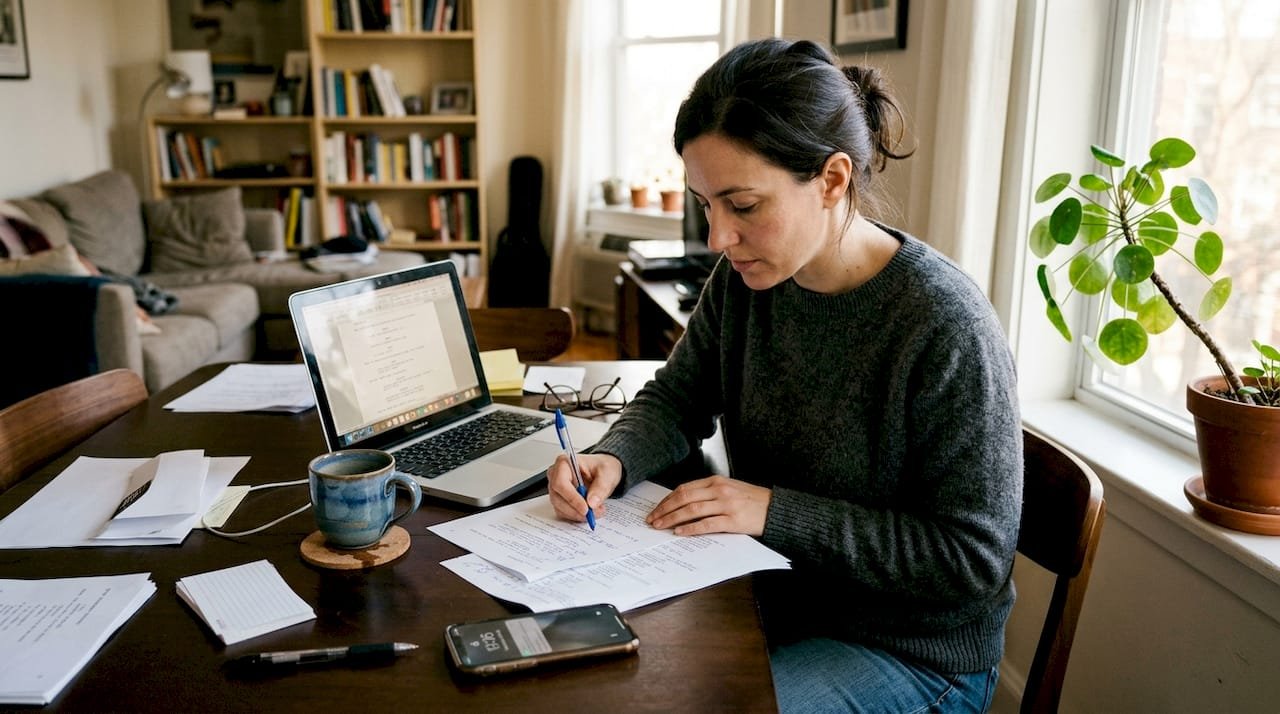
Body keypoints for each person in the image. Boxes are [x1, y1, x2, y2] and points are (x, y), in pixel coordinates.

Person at [547, 37, 1021, 713]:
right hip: (764, 591)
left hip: (908, 653)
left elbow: (969, 560)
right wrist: (612, 458)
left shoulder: (944, 325)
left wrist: (774, 512)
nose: (717, 237)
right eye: (704, 204)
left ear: (832, 179)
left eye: (742, 206)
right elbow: (680, 396)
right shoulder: (748, 280)